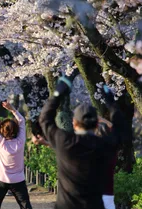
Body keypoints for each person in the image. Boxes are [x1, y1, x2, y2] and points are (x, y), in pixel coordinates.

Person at [38, 77, 124, 209]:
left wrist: (57, 94)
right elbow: (120, 127)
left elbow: (44, 119)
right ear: (97, 124)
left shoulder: (64, 141)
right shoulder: (105, 144)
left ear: (74, 122)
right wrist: (110, 102)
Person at [0, 101, 32, 209]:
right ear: (16, 130)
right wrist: (12, 109)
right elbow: (21, 120)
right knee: (25, 204)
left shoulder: (1, 142)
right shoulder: (21, 141)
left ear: (2, 131)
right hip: (18, 180)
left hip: (1, 179)